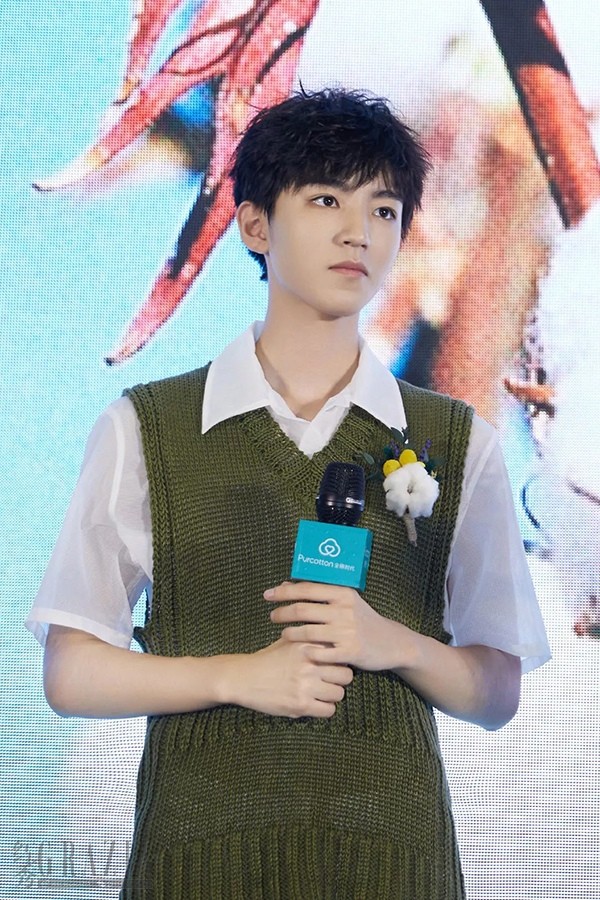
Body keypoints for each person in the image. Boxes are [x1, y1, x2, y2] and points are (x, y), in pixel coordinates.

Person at [27, 88, 551, 899]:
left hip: (393, 868)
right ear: (255, 226)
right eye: (326, 201)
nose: (358, 231)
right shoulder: (148, 428)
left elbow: (496, 691)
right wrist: (237, 677)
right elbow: (72, 673)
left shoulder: (457, 440)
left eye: (384, 210)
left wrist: (396, 644)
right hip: (198, 865)